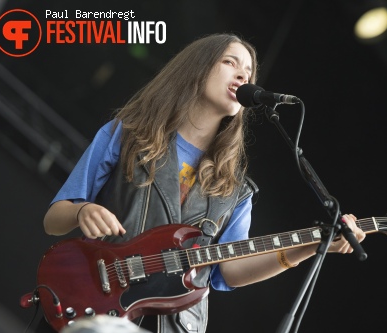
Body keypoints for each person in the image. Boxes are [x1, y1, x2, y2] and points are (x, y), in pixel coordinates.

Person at [41, 33, 365, 332]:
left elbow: (230, 271)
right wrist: (81, 210)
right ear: (197, 69)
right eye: (230, 62)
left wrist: (311, 246)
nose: (242, 76)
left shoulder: (236, 190)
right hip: (94, 310)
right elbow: (53, 220)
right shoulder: (127, 135)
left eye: (249, 72)